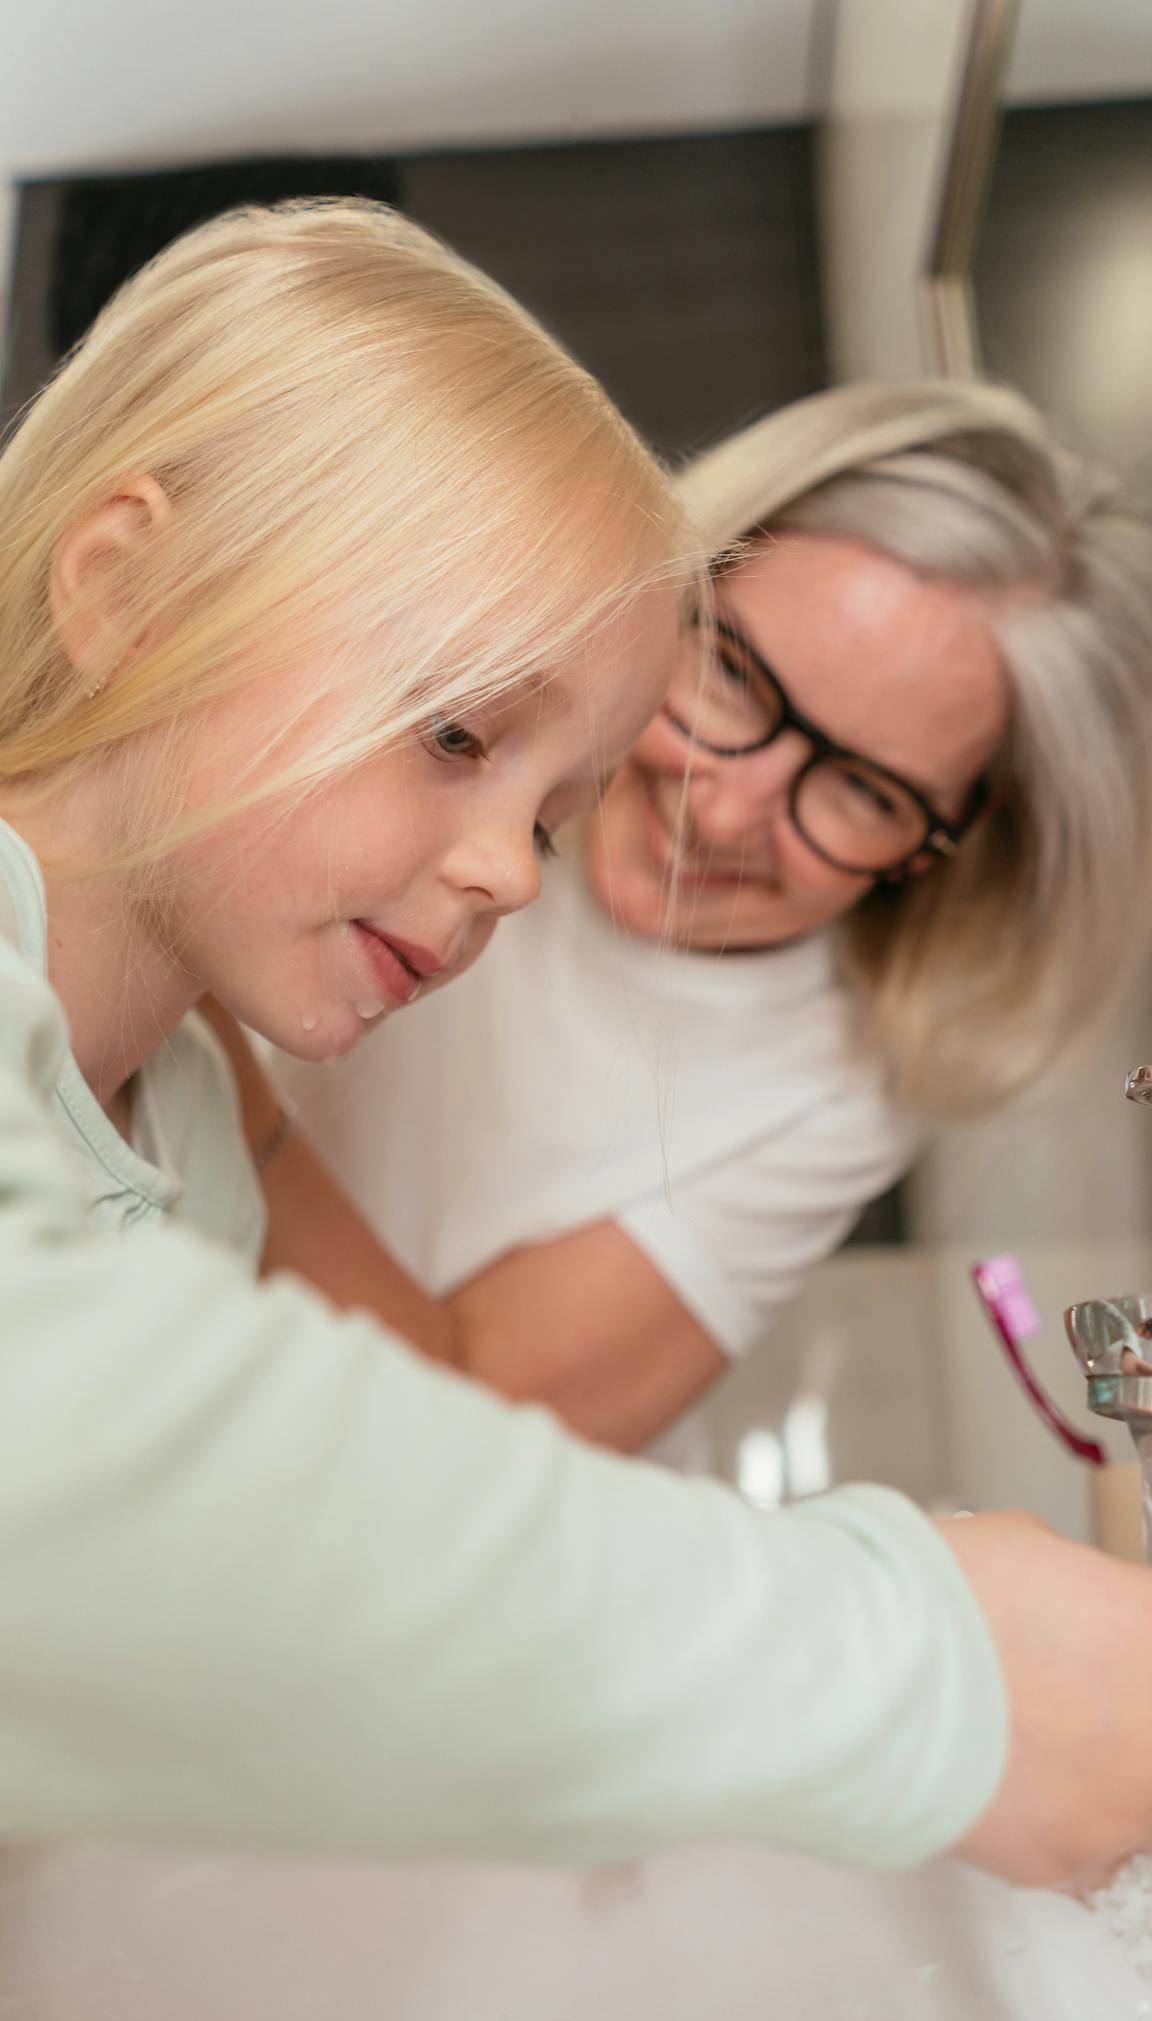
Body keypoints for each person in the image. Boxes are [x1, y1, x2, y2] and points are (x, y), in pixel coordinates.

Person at [1, 197, 1151, 1894]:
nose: (506, 873)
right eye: (459, 727)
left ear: (933, 846)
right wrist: (915, 1659)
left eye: (547, 809)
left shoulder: (173, 1094)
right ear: (127, 584)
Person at [252, 379, 1152, 1451]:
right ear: (677, 574)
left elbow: (469, 1430)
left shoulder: (838, 1087)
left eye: (865, 791)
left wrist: (202, 1074)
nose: (725, 810)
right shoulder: (445, 664)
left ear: (950, 838)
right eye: (731, 672)